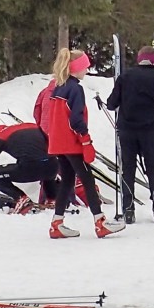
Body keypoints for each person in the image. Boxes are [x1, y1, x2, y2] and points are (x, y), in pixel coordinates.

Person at [40, 47, 123, 241]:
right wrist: (85, 139)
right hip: (72, 143)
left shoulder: (58, 87)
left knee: (68, 180)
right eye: (85, 66)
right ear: (76, 68)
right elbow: (75, 119)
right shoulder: (75, 88)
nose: (87, 70)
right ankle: (100, 221)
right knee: (87, 179)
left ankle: (57, 223)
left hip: (59, 143)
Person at [107, 46, 154, 224]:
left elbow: (111, 103)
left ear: (139, 59)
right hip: (149, 130)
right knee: (153, 168)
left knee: (128, 169)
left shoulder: (125, 77)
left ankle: (128, 211)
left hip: (127, 130)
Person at [0, 121, 58, 213]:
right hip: (53, 166)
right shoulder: (31, 126)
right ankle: (52, 199)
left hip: (31, 168)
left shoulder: (1, 136)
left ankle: (21, 198)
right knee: (45, 162)